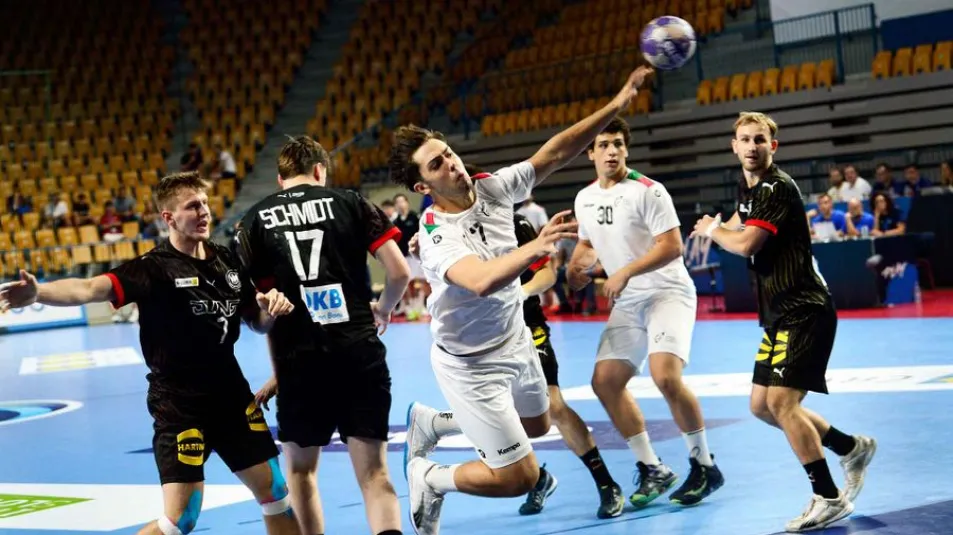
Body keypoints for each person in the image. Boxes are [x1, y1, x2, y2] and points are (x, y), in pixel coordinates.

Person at [389, 65, 653, 535]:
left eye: (448, 153)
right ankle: (430, 476)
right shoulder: (433, 234)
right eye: (436, 165)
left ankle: (434, 423)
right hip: (470, 363)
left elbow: (555, 151)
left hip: (514, 340)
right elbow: (481, 281)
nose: (452, 163)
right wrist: (535, 246)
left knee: (536, 426)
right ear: (422, 187)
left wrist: (616, 105)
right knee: (519, 475)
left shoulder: (490, 187)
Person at [0, 172, 301, 535]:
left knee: (276, 494)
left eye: (205, 203)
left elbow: (257, 322)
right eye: (193, 206)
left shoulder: (228, 262)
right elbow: (88, 288)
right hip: (178, 403)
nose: (204, 212)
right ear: (169, 218)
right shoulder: (151, 269)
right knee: (180, 520)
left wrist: (271, 309)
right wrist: (39, 294)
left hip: (232, 396)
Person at [691, 111, 876, 532]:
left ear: (773, 146)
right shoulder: (749, 187)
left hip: (804, 308)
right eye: (745, 139)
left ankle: (828, 497)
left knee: (781, 403)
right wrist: (717, 224)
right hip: (778, 313)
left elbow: (746, 242)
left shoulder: (777, 187)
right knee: (761, 406)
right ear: (734, 146)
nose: (752, 146)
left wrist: (713, 233)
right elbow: (739, 221)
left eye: (760, 139)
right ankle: (851, 447)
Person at [234, 136, 410, 535]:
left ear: (280, 179)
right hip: (359, 351)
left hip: (300, 363)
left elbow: (254, 311)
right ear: (319, 171)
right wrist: (383, 309)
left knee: (300, 472)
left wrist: (269, 320)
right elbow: (399, 273)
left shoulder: (256, 220)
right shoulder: (351, 202)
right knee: (375, 476)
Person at [405, 210, 626, 520]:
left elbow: (546, 274)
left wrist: (519, 293)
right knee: (512, 418)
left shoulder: (513, 222)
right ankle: (556, 480)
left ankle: (605, 483)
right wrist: (424, 249)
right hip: (480, 341)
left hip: (525, 328)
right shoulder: (440, 229)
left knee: (549, 412)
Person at [565, 116, 725, 508]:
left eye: (618, 143)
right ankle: (652, 467)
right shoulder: (584, 198)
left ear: (627, 149)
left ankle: (704, 464)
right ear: (590, 153)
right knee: (605, 381)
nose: (612, 151)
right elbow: (588, 244)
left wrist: (623, 271)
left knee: (665, 376)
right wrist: (576, 267)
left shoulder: (649, 192)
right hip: (630, 298)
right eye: (603, 145)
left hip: (667, 291)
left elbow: (672, 247)